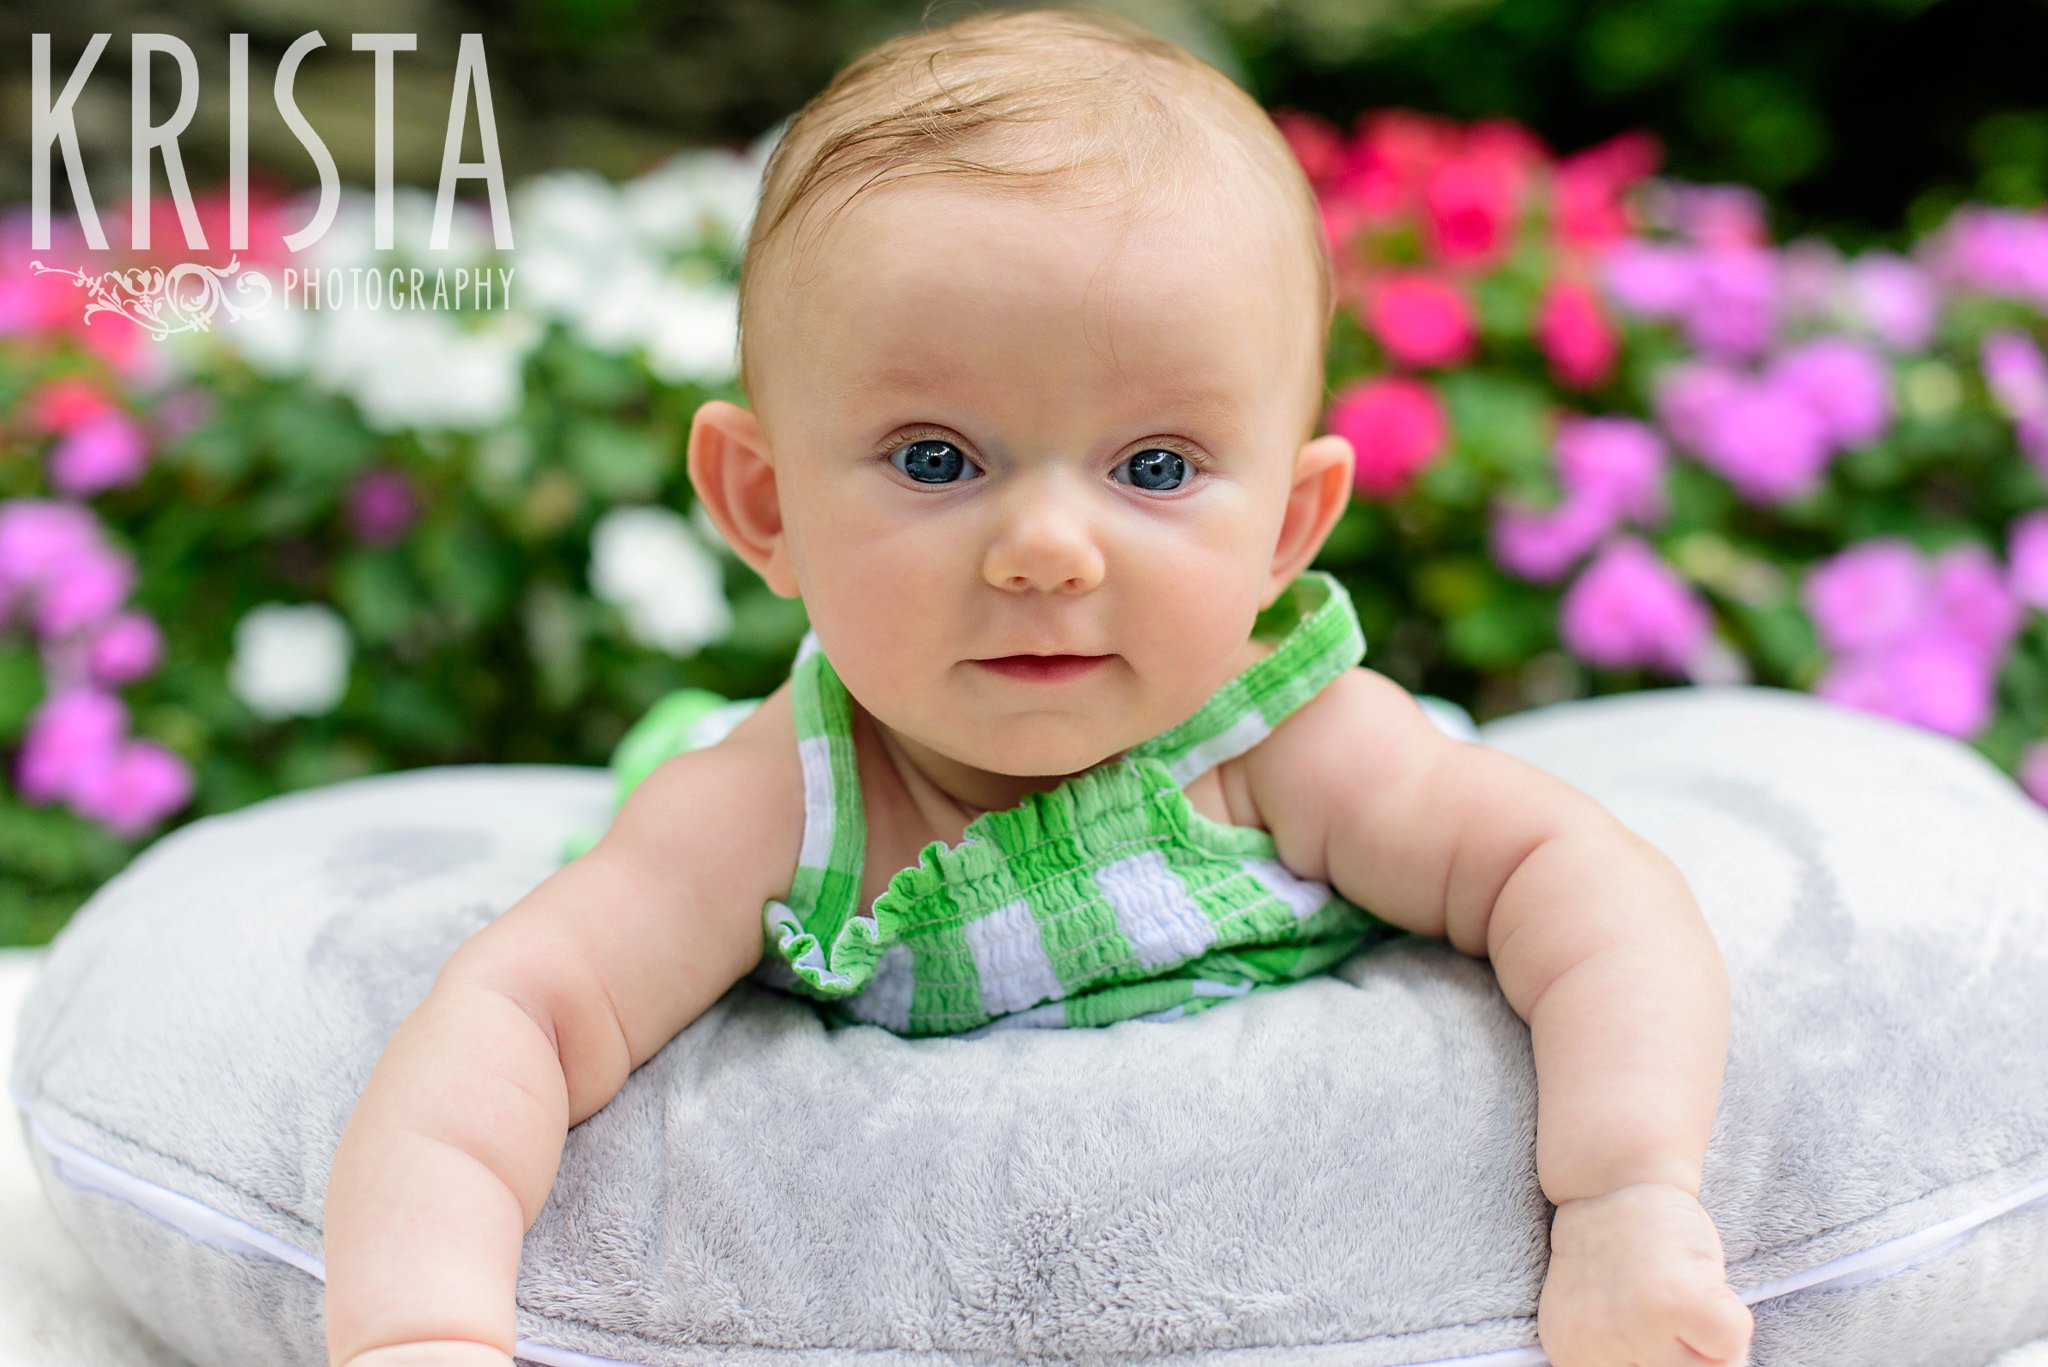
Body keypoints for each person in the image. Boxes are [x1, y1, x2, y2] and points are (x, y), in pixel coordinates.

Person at [322, 8, 1754, 1366]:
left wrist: (1628, 1198)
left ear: (1288, 530)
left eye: (1156, 467)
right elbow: (512, 1016)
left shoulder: (1298, 743)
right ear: (762, 507)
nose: (1050, 552)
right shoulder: (781, 804)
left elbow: (1589, 890)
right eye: (937, 459)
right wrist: (420, 1327)